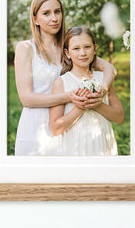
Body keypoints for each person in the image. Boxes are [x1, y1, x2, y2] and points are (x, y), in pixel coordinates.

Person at [13, 0, 116, 156]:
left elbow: (110, 68)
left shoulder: (69, 48)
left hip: (66, 129)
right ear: (35, 19)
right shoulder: (26, 48)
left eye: (57, 11)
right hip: (35, 128)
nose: (54, 18)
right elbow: (26, 98)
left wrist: (103, 89)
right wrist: (69, 97)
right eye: (46, 13)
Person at [49, 26, 124, 155]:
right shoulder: (61, 82)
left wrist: (97, 104)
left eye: (87, 47)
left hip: (103, 147)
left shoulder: (103, 79)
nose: (82, 53)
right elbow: (55, 128)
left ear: (95, 49)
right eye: (76, 48)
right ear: (67, 53)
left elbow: (119, 117)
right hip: (76, 149)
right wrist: (80, 107)